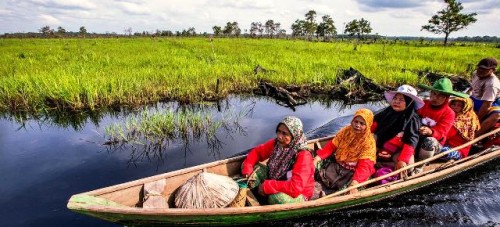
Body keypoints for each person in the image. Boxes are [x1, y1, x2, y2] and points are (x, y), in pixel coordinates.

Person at [241, 116, 315, 204]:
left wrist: (268, 186)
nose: (279, 136)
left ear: (294, 135)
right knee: (248, 168)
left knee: (276, 198)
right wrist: (247, 169)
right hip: (277, 180)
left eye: (284, 133)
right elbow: (257, 152)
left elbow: (295, 188)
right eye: (279, 131)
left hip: (299, 193)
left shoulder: (304, 155)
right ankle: (258, 197)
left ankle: (264, 200)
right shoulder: (276, 144)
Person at [313, 108, 376, 194]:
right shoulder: (345, 131)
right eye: (356, 121)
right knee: (318, 169)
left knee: (346, 190)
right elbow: (331, 146)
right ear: (352, 121)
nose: (357, 125)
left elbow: (365, 165)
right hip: (339, 165)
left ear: (368, 125)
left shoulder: (369, 142)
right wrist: (317, 158)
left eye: (362, 123)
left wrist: (355, 183)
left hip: (353, 172)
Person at [371, 85, 424, 179]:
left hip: (398, 150)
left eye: (401, 100)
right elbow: (372, 126)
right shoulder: (386, 113)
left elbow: (411, 141)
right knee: (371, 138)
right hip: (380, 146)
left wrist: (402, 160)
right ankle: (374, 164)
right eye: (395, 98)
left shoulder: (412, 119)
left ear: (409, 102)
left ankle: (387, 169)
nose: (396, 101)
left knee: (408, 164)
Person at [417, 78, 469, 162]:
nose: (435, 98)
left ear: (446, 98)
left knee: (429, 142)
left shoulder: (449, 113)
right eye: (434, 94)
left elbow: (441, 133)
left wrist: (430, 132)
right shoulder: (422, 104)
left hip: (435, 142)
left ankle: (419, 165)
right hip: (417, 136)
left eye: (440, 96)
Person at [469, 57, 500, 136]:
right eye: (480, 68)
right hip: (474, 98)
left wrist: (476, 120)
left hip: (489, 102)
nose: (480, 70)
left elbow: (486, 105)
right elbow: (472, 88)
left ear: (493, 70)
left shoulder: (492, 84)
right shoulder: (476, 73)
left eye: (485, 69)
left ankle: (475, 135)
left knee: (496, 115)